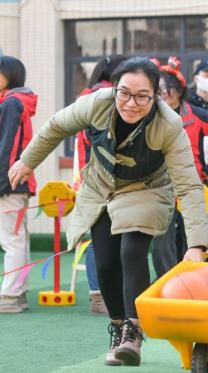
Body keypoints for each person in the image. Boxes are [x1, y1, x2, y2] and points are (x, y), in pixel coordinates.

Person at [8, 57, 208, 366]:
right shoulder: (97, 103)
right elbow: (56, 126)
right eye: (124, 93)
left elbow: (189, 186)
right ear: (114, 88)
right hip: (102, 184)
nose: (131, 103)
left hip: (148, 188)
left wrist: (197, 244)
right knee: (104, 262)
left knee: (131, 250)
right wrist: (27, 160)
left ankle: (134, 328)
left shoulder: (169, 125)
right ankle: (118, 326)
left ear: (155, 95)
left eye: (142, 95)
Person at [151, 56, 208, 276]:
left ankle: (194, 282)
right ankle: (165, 281)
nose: (163, 93)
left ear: (178, 89)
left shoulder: (195, 114)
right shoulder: (151, 115)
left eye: (167, 88)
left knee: (193, 239)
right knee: (161, 240)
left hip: (191, 185)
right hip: (160, 186)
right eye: (159, 89)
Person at [73, 54, 127, 315]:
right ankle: (104, 295)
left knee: (98, 237)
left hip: (91, 177)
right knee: (110, 238)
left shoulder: (84, 98)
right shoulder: (110, 98)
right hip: (111, 177)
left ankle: (98, 294)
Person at [0, 56, 37, 314]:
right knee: (18, 238)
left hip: (9, 181)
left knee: (11, 239)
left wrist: (2, 181)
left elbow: (8, 146)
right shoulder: (15, 101)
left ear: (10, 76)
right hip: (16, 180)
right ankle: (18, 293)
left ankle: (10, 295)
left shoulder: (12, 102)